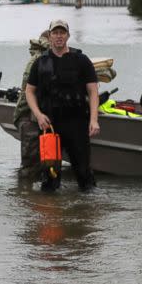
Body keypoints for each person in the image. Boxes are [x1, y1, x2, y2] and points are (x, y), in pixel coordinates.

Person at [25, 19, 100, 192]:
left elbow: (93, 91)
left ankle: (86, 214)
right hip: (49, 126)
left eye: (62, 32)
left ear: (68, 35)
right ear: (50, 36)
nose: (59, 36)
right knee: (50, 178)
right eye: (55, 33)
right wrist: (38, 114)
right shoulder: (40, 62)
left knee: (84, 176)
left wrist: (94, 120)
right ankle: (51, 214)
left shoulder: (81, 60)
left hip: (77, 123)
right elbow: (29, 91)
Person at [13, 30, 50, 179]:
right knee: (31, 166)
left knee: (45, 163)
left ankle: (33, 197)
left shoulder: (47, 59)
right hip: (29, 117)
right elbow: (29, 92)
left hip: (39, 117)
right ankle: (26, 197)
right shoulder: (37, 60)